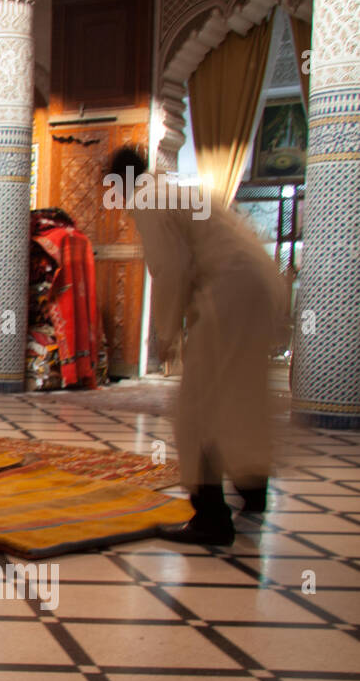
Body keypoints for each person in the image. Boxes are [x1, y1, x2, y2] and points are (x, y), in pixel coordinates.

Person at [108, 147, 287, 546]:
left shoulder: (146, 198)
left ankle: (210, 516)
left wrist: (166, 333)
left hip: (231, 292)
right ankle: (253, 488)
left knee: (197, 406)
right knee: (242, 395)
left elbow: (171, 268)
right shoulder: (173, 189)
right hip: (260, 283)